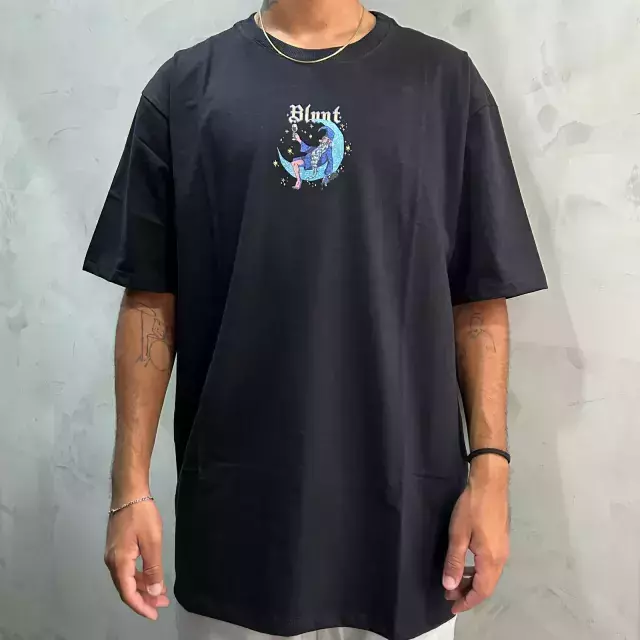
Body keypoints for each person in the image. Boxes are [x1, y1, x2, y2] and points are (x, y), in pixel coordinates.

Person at [84, 1, 547, 640]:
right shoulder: (185, 89)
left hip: (410, 529)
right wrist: (128, 488)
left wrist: (491, 473)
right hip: (242, 531)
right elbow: (149, 301)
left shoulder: (445, 84)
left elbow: (479, 298)